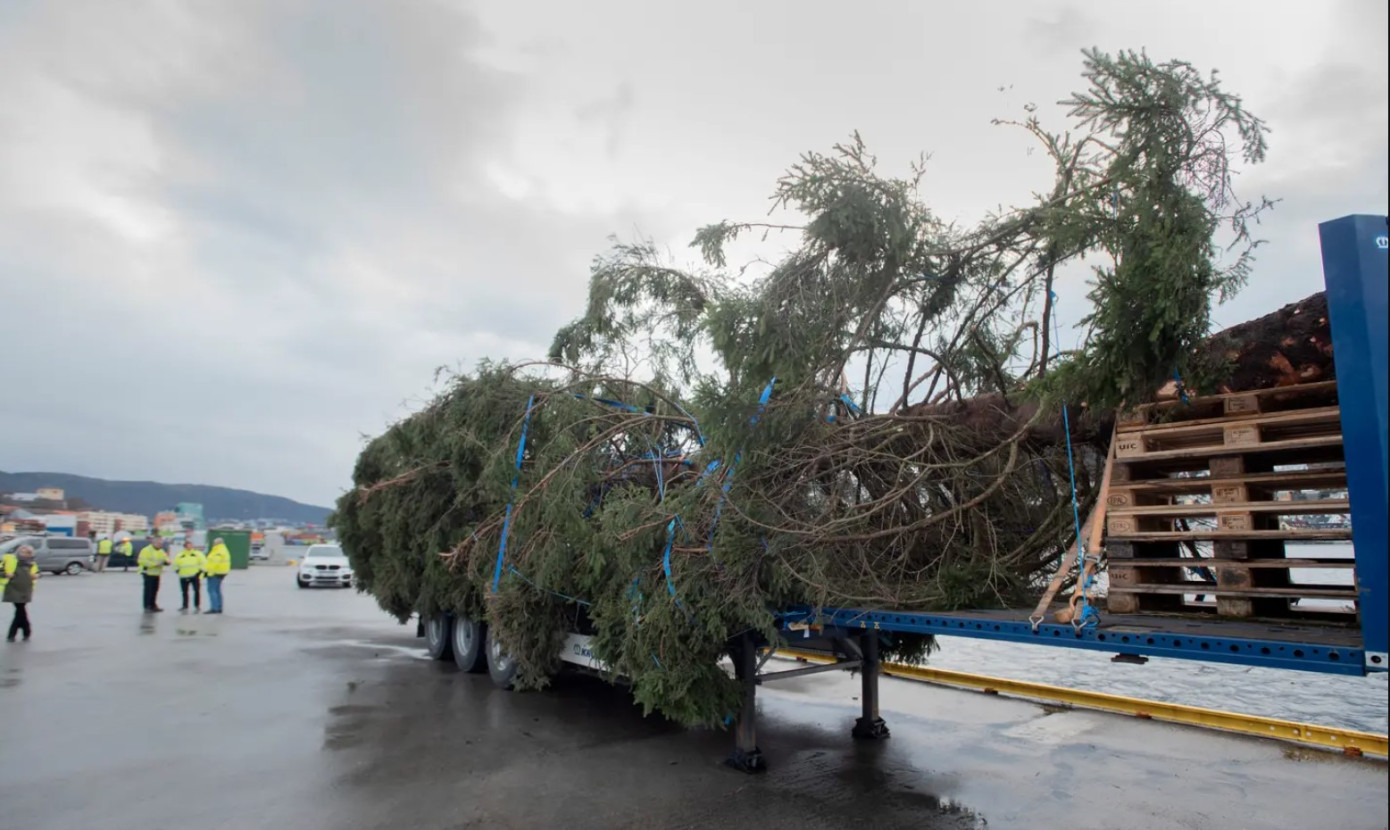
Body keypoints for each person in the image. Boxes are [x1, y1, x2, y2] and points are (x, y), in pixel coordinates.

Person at [2, 544, 40, 642]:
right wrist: (6, 574)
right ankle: (22, 633)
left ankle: (20, 634)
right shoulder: (10, 560)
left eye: (27, 553)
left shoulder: (31, 563)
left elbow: (38, 572)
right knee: (20, 611)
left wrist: (36, 575)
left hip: (25, 590)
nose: (24, 554)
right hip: (13, 589)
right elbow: (1, 571)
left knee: (20, 612)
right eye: (22, 552)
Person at [137, 537, 171, 613]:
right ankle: (147, 606)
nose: (160, 545)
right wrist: (154, 564)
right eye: (159, 544)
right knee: (148, 590)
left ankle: (153, 605)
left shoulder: (161, 551)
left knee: (155, 590)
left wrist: (167, 562)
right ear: (154, 543)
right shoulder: (146, 550)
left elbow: (166, 558)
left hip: (156, 573)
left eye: (161, 544)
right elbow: (142, 561)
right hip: (148, 573)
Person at [174, 541, 206, 612]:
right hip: (183, 576)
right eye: (188, 545)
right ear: (185, 546)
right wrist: (177, 571)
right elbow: (175, 564)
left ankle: (197, 605)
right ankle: (185, 605)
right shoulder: (180, 555)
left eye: (191, 545)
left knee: (196, 591)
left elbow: (203, 563)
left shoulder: (197, 554)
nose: (190, 547)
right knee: (184, 592)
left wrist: (200, 572)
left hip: (194, 576)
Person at [205, 537, 231, 614]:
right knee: (217, 590)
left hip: (215, 573)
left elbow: (214, 563)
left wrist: (208, 572)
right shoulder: (224, 550)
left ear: (216, 543)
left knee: (212, 590)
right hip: (222, 573)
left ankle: (214, 608)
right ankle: (219, 607)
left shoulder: (217, 551)